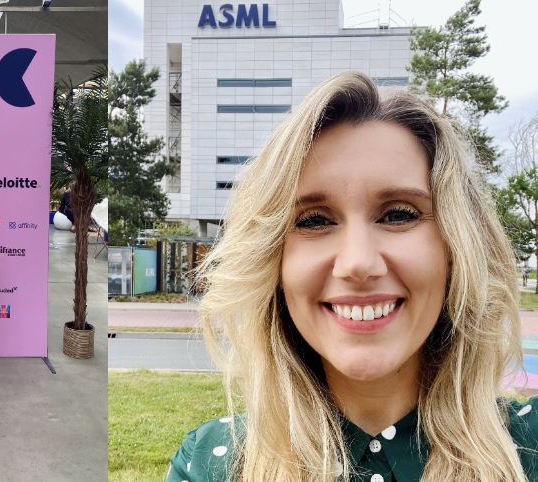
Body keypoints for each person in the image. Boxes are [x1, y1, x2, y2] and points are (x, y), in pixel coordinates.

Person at [166, 72, 537, 481]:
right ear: (273, 261)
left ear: (455, 248)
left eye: (398, 214)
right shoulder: (208, 464)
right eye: (314, 220)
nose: (357, 263)